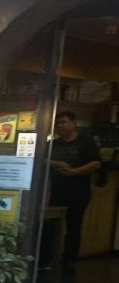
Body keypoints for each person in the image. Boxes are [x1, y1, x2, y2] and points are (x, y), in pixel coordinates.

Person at [48, 111, 102, 273]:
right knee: (50, 224)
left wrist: (74, 172)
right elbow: (40, 159)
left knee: (74, 225)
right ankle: (47, 258)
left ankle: (69, 259)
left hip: (78, 189)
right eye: (58, 123)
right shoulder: (54, 144)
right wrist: (55, 163)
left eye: (64, 122)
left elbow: (96, 163)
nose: (60, 126)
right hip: (56, 188)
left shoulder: (86, 142)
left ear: (73, 123)